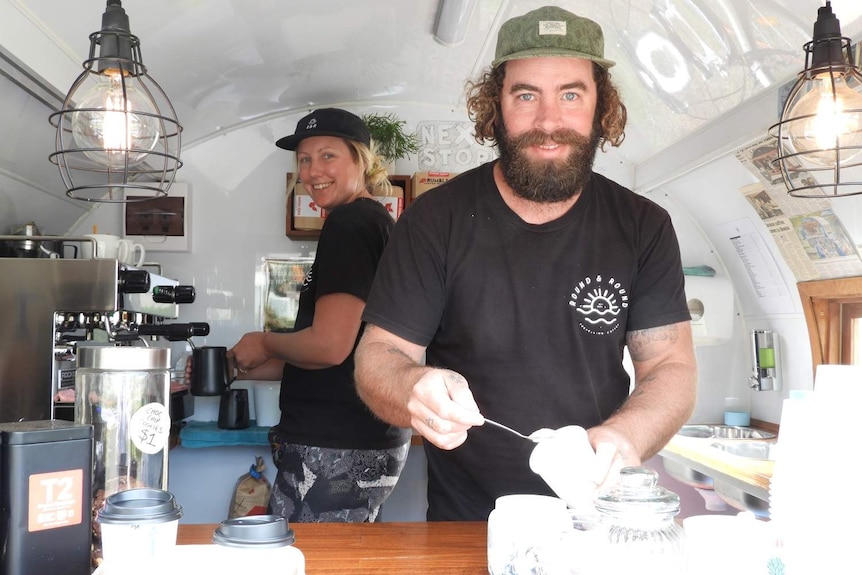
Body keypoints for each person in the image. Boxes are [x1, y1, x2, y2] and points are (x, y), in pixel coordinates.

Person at [353, 6, 697, 521]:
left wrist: (622, 437)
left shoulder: (643, 226)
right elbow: (378, 356)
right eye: (526, 95)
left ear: (602, 107)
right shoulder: (433, 221)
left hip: (595, 517)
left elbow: (671, 367)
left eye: (571, 94)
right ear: (497, 106)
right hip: (467, 525)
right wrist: (410, 387)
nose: (549, 122)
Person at [227, 108, 411, 522]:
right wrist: (238, 365)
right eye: (304, 160)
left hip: (334, 449)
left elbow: (329, 346)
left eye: (328, 156)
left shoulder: (350, 224)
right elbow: (337, 354)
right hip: (357, 442)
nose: (312, 171)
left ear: (361, 160)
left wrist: (264, 340)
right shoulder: (375, 223)